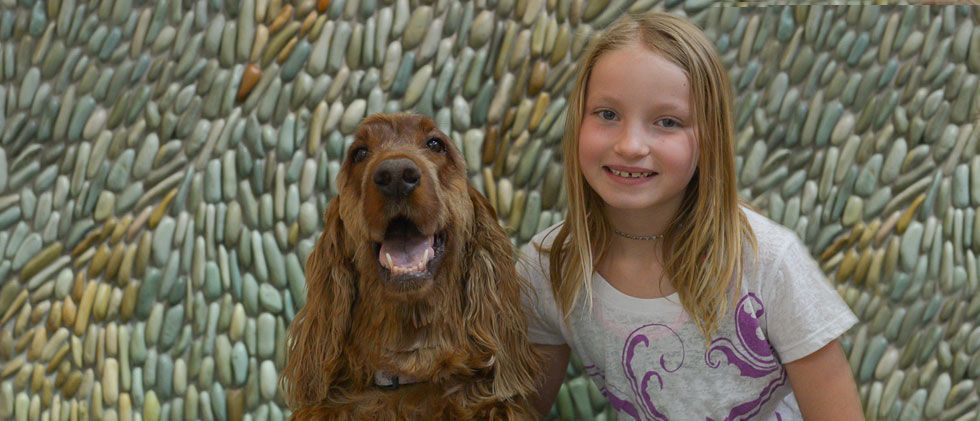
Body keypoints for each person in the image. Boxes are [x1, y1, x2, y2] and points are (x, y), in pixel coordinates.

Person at [518, 11, 863, 420]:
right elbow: (521, 409)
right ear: (578, 119)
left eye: (667, 122)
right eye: (607, 115)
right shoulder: (549, 267)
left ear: (710, 138)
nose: (630, 145)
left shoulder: (767, 263)